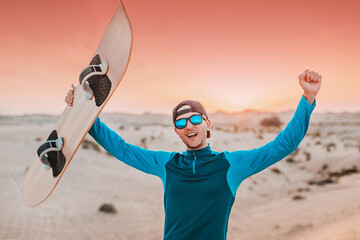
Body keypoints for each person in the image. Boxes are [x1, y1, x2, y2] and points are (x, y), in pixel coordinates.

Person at [65, 69, 321, 240]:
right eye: (181, 123)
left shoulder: (231, 165)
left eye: (195, 119)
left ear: (207, 124)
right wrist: (86, 116)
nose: (189, 125)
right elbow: (121, 149)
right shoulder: (167, 164)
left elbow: (283, 145)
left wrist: (307, 98)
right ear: (176, 131)